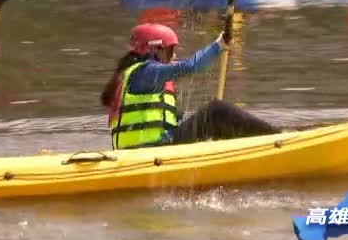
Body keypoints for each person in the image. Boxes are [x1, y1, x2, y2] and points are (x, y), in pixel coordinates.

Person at [101, 23, 279, 150]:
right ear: (154, 50)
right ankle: (277, 139)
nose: (174, 55)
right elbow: (190, 66)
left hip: (136, 152)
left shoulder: (130, 74)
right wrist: (219, 45)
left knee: (208, 120)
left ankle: (242, 149)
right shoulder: (147, 71)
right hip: (154, 151)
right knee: (216, 111)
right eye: (170, 50)